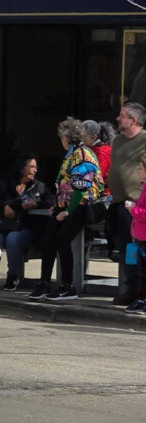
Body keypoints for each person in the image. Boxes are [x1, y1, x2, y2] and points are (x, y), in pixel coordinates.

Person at [28, 117, 105, 300]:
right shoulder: (70, 154)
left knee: (63, 240)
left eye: (61, 137)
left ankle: (67, 286)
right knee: (48, 241)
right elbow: (64, 183)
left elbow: (80, 187)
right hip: (65, 205)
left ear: (66, 138)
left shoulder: (83, 155)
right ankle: (44, 283)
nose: (60, 140)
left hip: (80, 206)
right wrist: (57, 206)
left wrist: (68, 211)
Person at [0, 154, 52, 290]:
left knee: (13, 238)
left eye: (35, 167)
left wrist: (36, 204)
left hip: (26, 228)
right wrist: (4, 206)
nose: (35, 170)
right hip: (4, 226)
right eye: (31, 167)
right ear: (22, 169)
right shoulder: (5, 184)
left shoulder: (39, 187)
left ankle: (12, 277)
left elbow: (51, 201)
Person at [107, 102, 146, 306]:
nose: (117, 118)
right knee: (126, 249)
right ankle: (130, 287)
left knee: (138, 250)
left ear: (133, 120)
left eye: (121, 115)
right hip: (119, 204)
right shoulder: (119, 141)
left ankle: (139, 292)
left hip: (138, 207)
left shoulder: (144, 140)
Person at [123, 153, 146, 314]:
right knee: (141, 270)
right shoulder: (144, 186)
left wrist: (133, 209)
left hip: (144, 237)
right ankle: (141, 299)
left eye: (140, 168)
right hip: (138, 235)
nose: (138, 170)